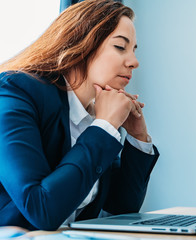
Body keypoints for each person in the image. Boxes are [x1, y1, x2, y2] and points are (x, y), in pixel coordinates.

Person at [0, 0, 159, 231]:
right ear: (81, 43)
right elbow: (41, 209)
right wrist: (105, 127)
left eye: (133, 50)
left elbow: (117, 212)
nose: (134, 62)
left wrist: (138, 137)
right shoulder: (16, 91)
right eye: (120, 47)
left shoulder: (95, 113)